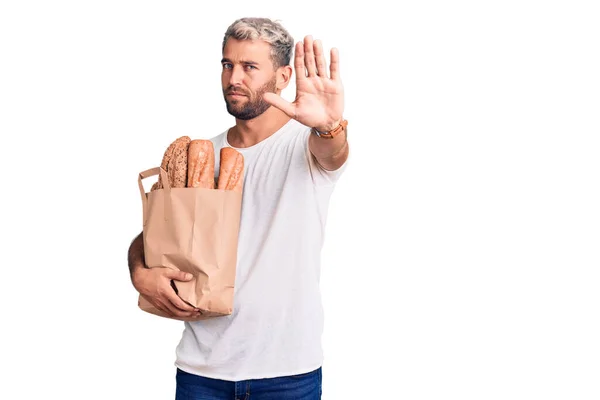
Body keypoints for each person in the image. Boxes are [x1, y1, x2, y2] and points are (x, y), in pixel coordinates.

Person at [128, 17, 350, 399]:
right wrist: (139, 272)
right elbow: (152, 237)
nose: (234, 78)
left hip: (287, 374)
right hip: (202, 372)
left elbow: (334, 154)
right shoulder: (200, 153)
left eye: (250, 67)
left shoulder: (305, 146)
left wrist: (330, 127)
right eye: (227, 64)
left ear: (283, 77)